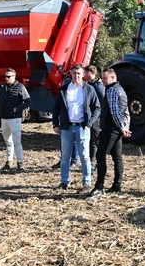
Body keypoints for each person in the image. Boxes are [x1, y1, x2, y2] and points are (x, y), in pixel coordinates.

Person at [52, 64, 101, 193]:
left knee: (85, 156)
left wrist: (89, 123)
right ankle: (64, 182)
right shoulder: (64, 89)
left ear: (83, 74)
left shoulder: (89, 89)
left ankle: (87, 183)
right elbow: (56, 108)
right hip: (67, 128)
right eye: (74, 73)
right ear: (71, 74)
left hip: (82, 128)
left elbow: (97, 107)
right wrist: (56, 124)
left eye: (79, 73)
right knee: (65, 156)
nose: (76, 76)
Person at [87, 68, 131, 198]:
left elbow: (115, 112)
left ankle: (99, 186)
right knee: (117, 157)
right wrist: (125, 127)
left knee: (101, 155)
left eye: (105, 78)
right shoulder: (121, 90)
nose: (103, 80)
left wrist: (122, 128)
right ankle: (117, 186)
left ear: (112, 78)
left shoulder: (111, 90)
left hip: (111, 128)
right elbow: (126, 112)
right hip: (118, 129)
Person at [0, 68, 31, 173]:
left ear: (14, 76)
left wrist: (17, 109)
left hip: (14, 118)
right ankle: (9, 162)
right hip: (4, 118)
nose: (7, 78)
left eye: (9, 76)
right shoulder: (3, 88)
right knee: (8, 141)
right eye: (5, 76)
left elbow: (28, 101)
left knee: (17, 141)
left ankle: (20, 163)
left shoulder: (20, 87)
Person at [84, 65, 105, 173]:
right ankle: (91, 162)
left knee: (95, 142)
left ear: (89, 73)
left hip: (96, 118)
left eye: (84, 73)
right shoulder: (91, 85)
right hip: (91, 117)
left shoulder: (98, 86)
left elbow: (102, 104)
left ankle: (95, 164)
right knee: (90, 141)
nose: (83, 75)